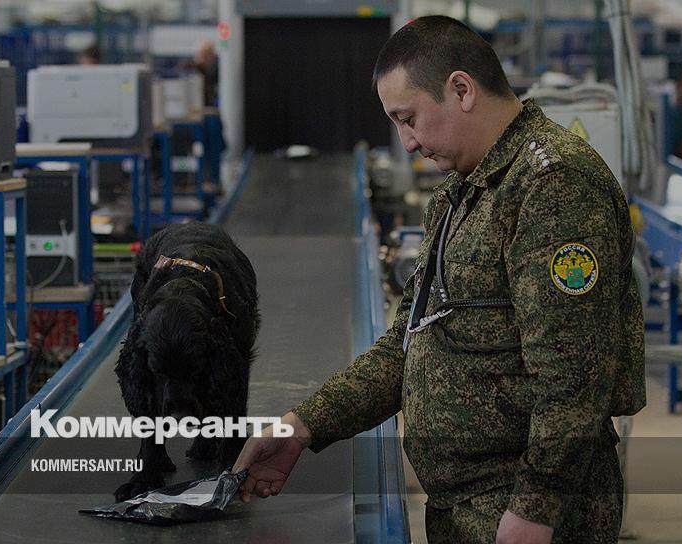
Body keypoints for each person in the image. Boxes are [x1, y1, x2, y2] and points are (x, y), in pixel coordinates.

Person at [233, 15, 645, 544]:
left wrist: (536, 508)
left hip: (523, 511)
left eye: (408, 119)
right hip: (466, 505)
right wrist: (304, 425)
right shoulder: (461, 192)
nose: (406, 142)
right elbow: (408, 343)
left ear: (461, 90)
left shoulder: (553, 184)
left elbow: (575, 374)